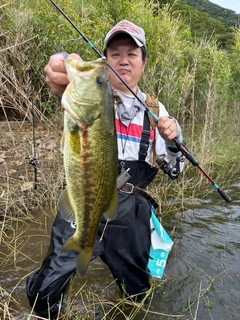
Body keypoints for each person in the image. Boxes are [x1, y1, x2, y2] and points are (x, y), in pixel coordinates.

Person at [26, 20, 185, 318]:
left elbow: (175, 172)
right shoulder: (85, 91)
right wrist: (60, 63)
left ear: (144, 62)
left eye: (131, 54)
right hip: (82, 200)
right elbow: (62, 65)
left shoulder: (157, 112)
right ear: (105, 61)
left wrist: (174, 141)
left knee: (136, 293)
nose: (123, 60)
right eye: (114, 54)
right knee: (45, 289)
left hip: (131, 212)